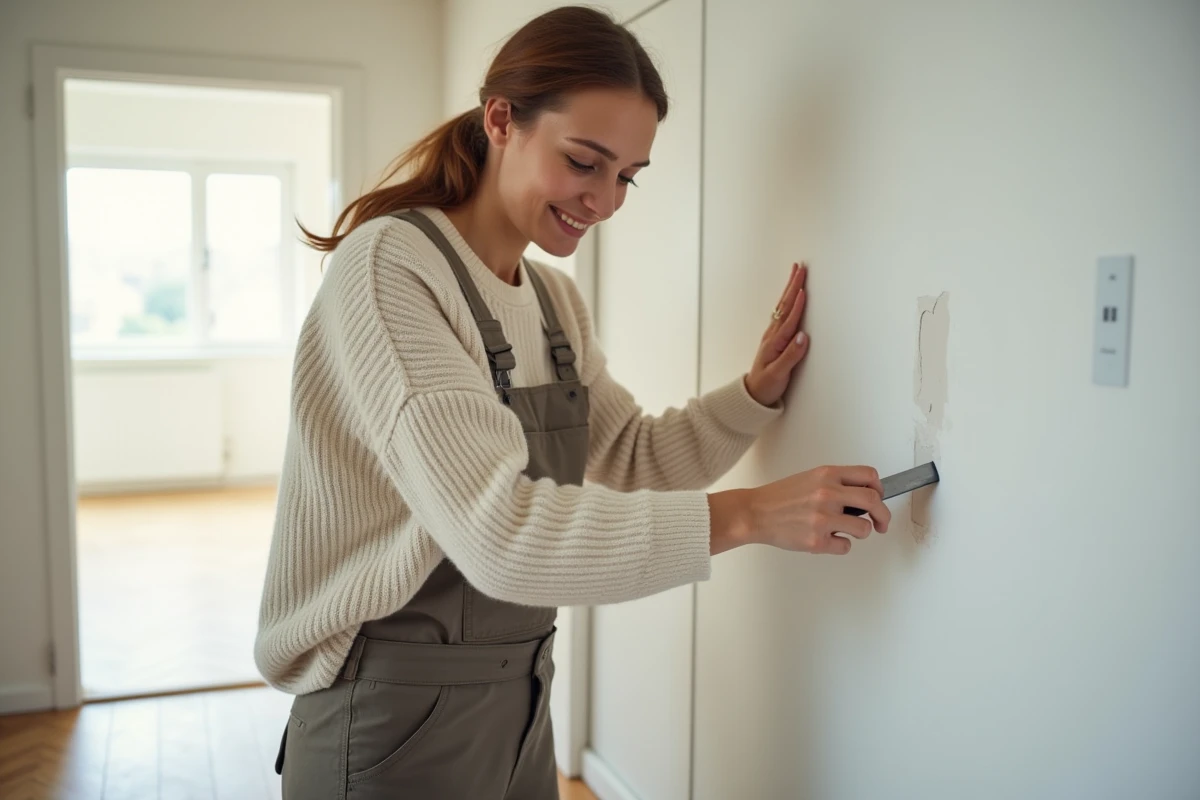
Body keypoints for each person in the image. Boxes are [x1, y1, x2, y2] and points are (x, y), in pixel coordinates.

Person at [255, 5, 891, 798]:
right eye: (584, 162)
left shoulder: (553, 300)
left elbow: (634, 456)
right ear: (500, 121)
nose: (606, 201)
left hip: (521, 698)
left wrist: (755, 394)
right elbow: (500, 535)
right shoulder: (390, 270)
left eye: (626, 176)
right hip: (389, 713)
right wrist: (751, 515)